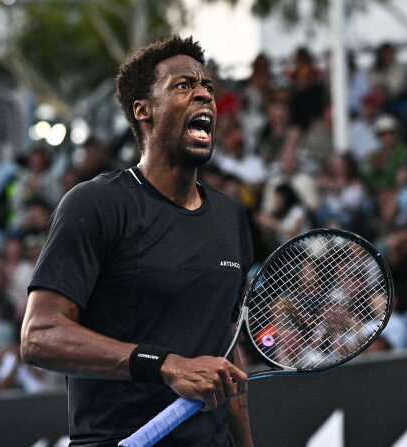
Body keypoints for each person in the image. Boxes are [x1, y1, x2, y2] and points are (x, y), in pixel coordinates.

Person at [21, 36, 253, 447]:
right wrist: (164, 365)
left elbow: (226, 357)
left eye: (208, 88)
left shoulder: (230, 218)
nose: (203, 93)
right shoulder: (96, 204)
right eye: (183, 86)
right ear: (142, 111)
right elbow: (40, 335)